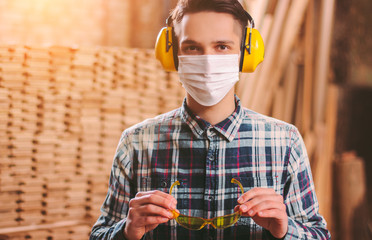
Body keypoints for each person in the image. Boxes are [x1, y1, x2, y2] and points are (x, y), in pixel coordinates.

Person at [90, 0, 331, 239]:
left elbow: (319, 234)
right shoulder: (135, 143)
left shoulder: (285, 142)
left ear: (245, 53)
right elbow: (99, 234)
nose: (207, 61)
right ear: (172, 55)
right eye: (192, 48)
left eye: (222, 47)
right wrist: (126, 232)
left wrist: (286, 230)